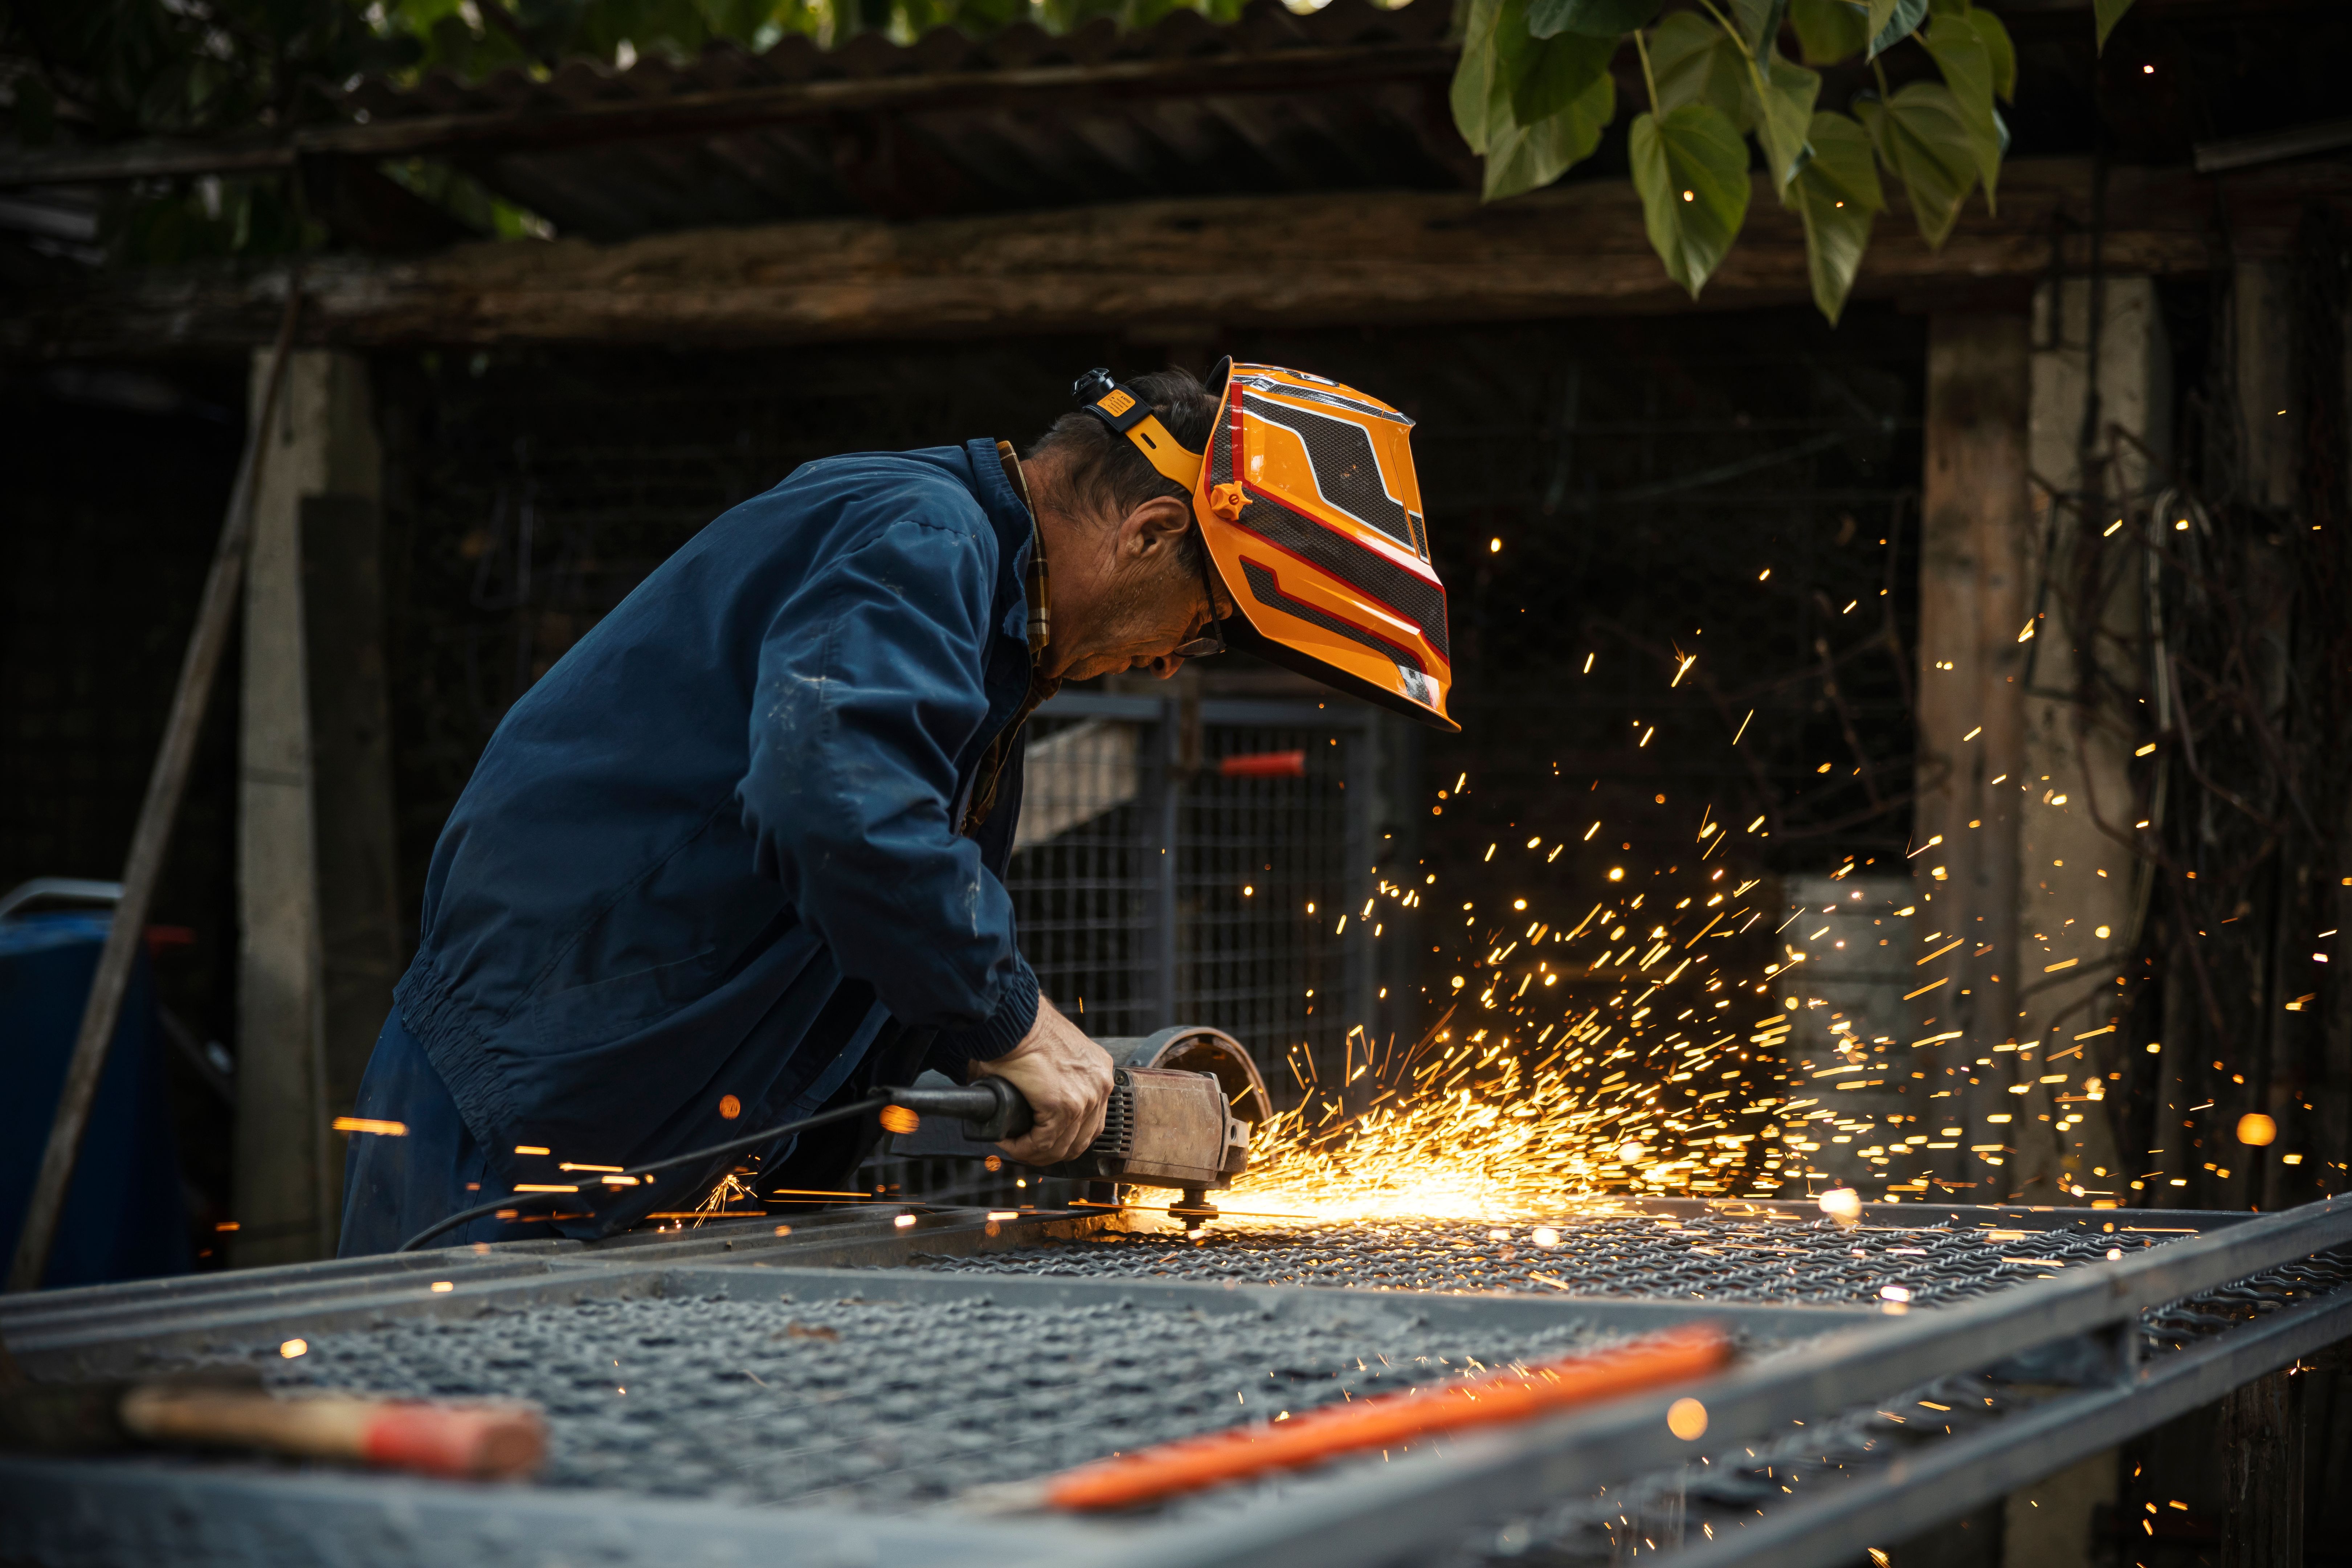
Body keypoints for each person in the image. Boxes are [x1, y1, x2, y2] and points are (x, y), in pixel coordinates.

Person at [338, 360, 1454, 1255]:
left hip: (644, 1114)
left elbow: (860, 910)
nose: (1175, 665)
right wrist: (1013, 1020)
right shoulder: (920, 540)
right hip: (536, 1094)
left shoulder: (977, 609)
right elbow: (831, 801)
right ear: (1153, 531)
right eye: (1204, 623)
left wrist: (1049, 1064)